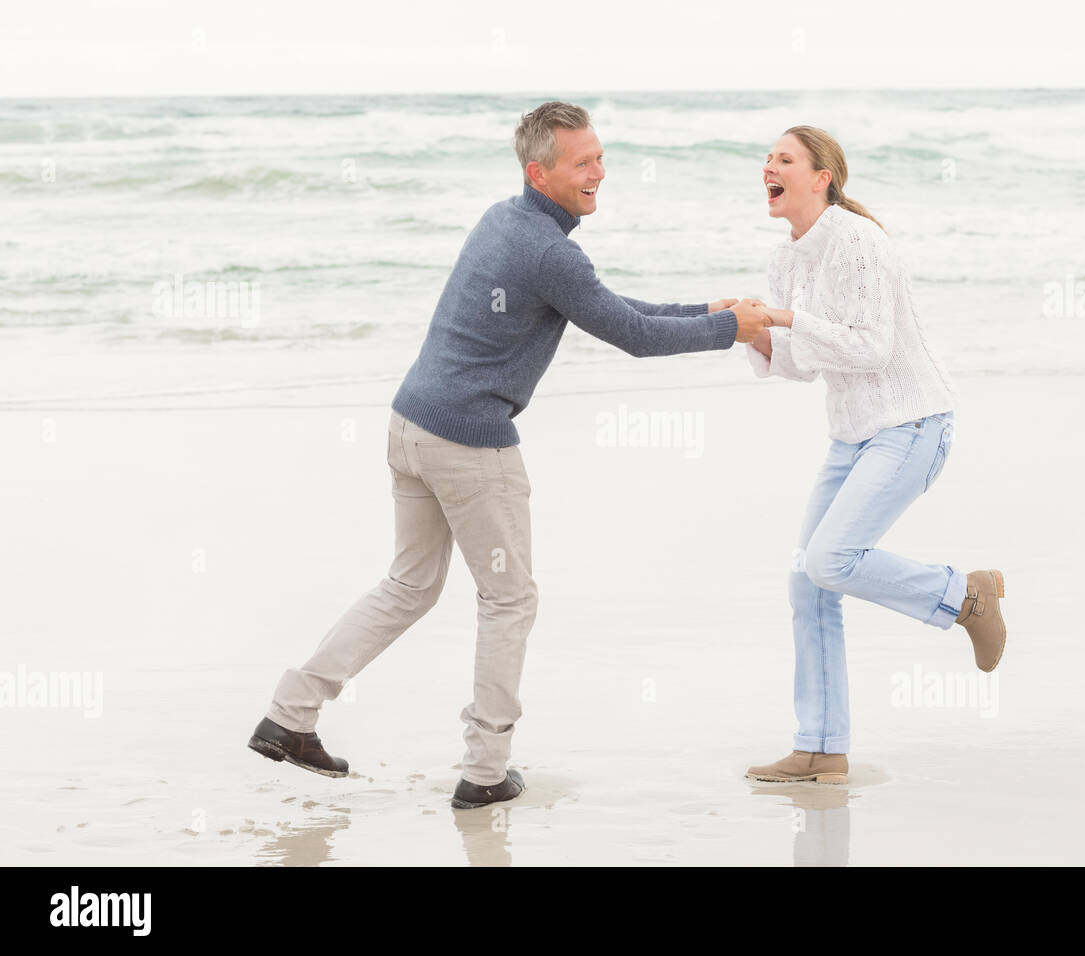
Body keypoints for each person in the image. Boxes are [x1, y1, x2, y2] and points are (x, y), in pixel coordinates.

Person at [247, 101, 769, 808]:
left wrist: (712, 312)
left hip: (410, 427)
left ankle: (288, 713)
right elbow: (633, 335)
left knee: (408, 587)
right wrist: (729, 330)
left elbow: (612, 306)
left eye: (599, 157)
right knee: (509, 600)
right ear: (540, 170)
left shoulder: (506, 219)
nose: (599, 173)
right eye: (582, 163)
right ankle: (486, 772)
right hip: (467, 444)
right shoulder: (549, 251)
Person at [742, 126, 1008, 785]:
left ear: (820, 178)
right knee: (808, 578)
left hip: (913, 422)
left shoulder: (858, 241)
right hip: (854, 435)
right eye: (768, 158)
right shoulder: (788, 259)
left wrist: (785, 320)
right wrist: (749, 329)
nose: (768, 166)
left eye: (784, 159)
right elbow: (802, 367)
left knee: (831, 559)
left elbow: (870, 348)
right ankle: (822, 748)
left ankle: (964, 595)